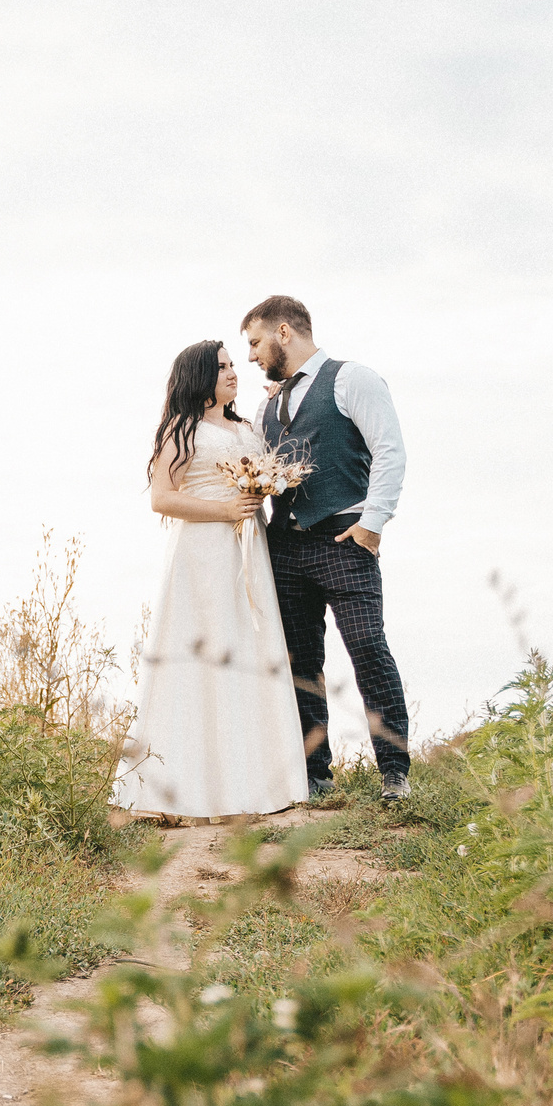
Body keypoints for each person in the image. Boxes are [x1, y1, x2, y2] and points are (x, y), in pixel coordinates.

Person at [108, 339, 310, 822]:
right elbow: (162, 499)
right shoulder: (180, 428)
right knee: (203, 653)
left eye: (232, 365)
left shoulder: (245, 426)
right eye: (221, 367)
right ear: (199, 376)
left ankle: (257, 785)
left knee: (249, 648)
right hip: (201, 554)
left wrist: (265, 488)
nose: (232, 372)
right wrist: (225, 509)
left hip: (249, 549)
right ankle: (186, 789)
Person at [241, 295, 413, 801]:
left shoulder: (352, 379)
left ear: (284, 333)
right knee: (300, 662)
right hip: (285, 548)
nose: (251, 356)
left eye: (255, 342)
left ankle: (394, 774)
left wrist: (372, 522)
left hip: (344, 539)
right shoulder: (266, 404)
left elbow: (389, 450)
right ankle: (315, 776)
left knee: (368, 651)